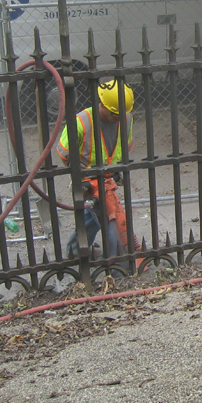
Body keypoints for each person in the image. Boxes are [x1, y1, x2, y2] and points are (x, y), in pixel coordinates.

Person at [61, 80, 144, 272]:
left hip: (109, 178)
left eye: (122, 113)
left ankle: (75, 254)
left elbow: (124, 147)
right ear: (102, 105)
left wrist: (117, 171)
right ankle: (118, 268)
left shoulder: (126, 118)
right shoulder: (81, 121)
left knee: (95, 219)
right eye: (115, 113)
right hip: (87, 181)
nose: (119, 117)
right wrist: (81, 178)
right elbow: (64, 153)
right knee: (106, 220)